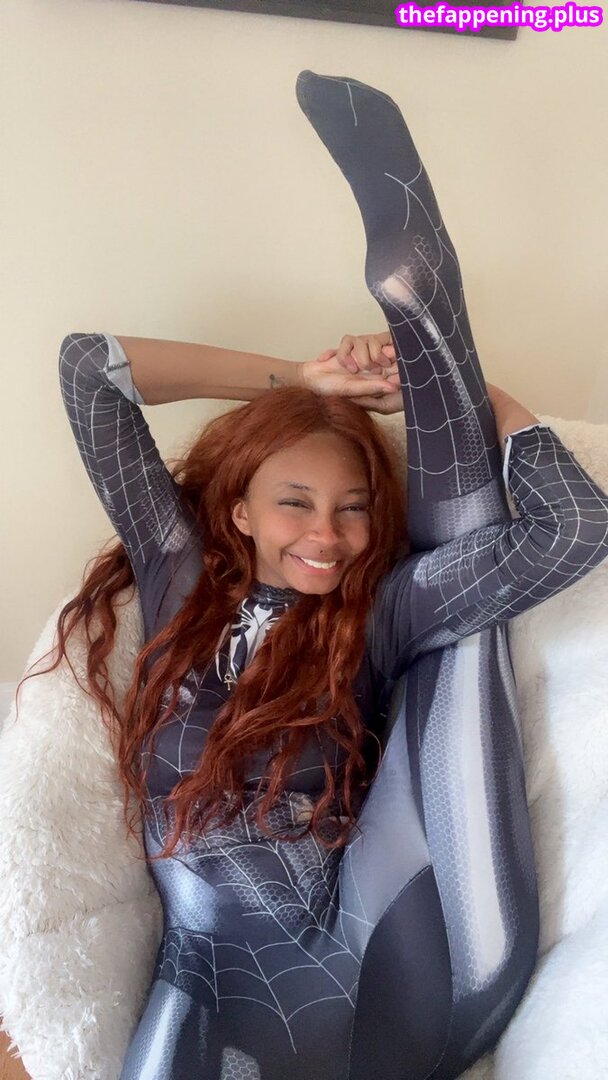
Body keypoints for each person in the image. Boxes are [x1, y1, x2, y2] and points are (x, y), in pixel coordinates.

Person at [36, 72, 608, 1079]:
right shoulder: (177, 574)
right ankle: (427, 316)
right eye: (294, 502)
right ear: (237, 511)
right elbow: (90, 368)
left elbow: (574, 531)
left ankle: (432, 323)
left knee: (462, 633)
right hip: (227, 980)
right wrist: (298, 379)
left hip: (402, 956)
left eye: (353, 509)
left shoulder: (381, 610)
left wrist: (479, 398)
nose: (328, 537)